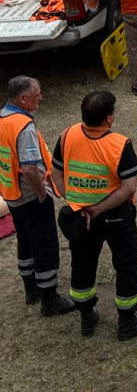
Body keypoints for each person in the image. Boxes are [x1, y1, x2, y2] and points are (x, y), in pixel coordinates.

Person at [51, 90, 137, 340]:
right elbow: (128, 188)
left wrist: (77, 204)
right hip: (115, 215)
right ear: (109, 118)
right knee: (127, 262)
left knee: (82, 263)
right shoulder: (120, 144)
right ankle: (128, 321)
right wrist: (98, 208)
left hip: (80, 217)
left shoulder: (68, 135)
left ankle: (86, 316)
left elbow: (56, 174)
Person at [0, 76, 75, 317]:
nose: (41, 97)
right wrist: (42, 194)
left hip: (13, 195)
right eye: (37, 94)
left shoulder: (3, 119)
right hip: (31, 197)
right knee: (44, 245)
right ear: (23, 98)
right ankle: (49, 299)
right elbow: (30, 168)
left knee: (25, 241)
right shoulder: (23, 127)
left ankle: (31, 289)